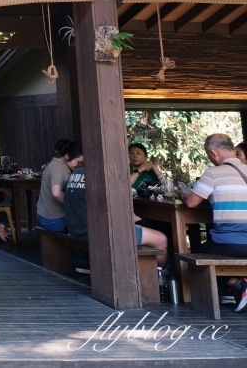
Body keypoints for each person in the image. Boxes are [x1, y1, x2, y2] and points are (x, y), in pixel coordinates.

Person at [178, 133, 247, 312]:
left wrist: (185, 194)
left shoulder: (213, 173)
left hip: (231, 244)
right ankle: (230, 290)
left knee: (199, 252)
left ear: (213, 153)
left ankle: (237, 284)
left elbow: (192, 203)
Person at [64, 165, 167, 271]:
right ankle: (159, 280)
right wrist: (126, 220)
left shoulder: (77, 173)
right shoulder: (101, 175)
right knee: (161, 239)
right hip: (99, 232)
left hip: (76, 229)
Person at [36, 140, 83, 233]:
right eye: (78, 162)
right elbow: (56, 193)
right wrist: (74, 205)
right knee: (86, 229)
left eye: (82, 163)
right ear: (67, 156)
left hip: (47, 217)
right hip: (53, 220)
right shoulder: (58, 168)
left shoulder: (56, 165)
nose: (80, 166)